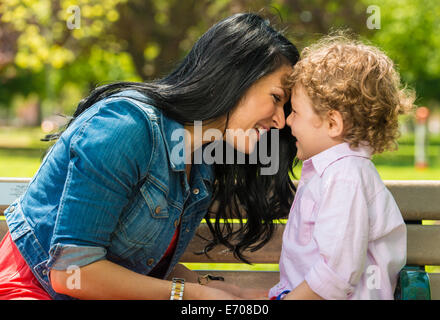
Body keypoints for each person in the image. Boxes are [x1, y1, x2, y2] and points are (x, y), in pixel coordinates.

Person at [0, 13, 299, 300]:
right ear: (235, 77)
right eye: (275, 99)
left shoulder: (202, 159)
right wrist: (190, 294)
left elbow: (140, 263)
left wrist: (231, 292)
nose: (280, 121)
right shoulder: (125, 127)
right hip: (30, 289)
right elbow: (71, 273)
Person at [269, 34, 415, 300]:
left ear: (333, 124)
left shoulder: (344, 176)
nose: (288, 121)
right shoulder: (337, 172)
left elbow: (336, 274)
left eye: (296, 112)